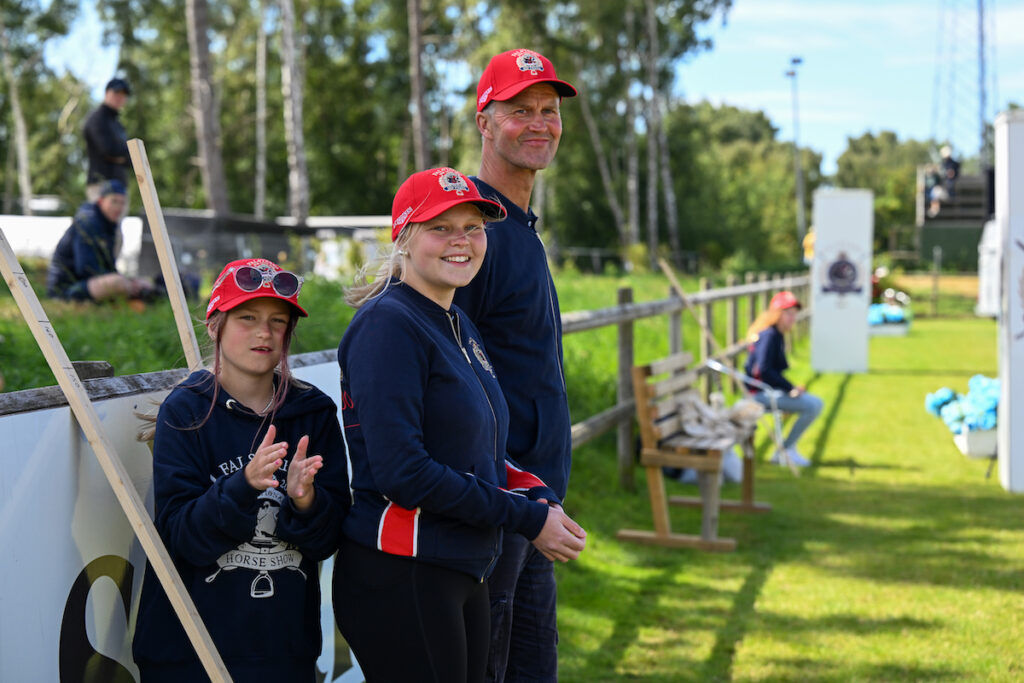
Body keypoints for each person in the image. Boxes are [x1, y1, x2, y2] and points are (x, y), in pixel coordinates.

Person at [333, 167, 586, 683]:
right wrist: (524, 517)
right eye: (440, 228)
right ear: (404, 238)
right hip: (404, 570)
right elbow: (404, 473)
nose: (461, 241)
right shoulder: (387, 325)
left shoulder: (457, 322)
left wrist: (535, 492)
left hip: (460, 566)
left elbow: (478, 448)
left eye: (473, 228)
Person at [132, 258, 349, 682]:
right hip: (188, 656)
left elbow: (329, 541)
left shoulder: (313, 412)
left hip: (284, 655)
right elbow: (183, 539)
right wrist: (244, 485)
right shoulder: (186, 411)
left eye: (277, 321)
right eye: (247, 317)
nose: (264, 332)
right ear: (215, 326)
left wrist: (306, 501)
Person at [452, 48, 579, 682]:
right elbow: (449, 381)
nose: (539, 123)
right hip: (498, 510)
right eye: (519, 110)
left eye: (548, 110)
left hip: (535, 507)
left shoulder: (516, 227)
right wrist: (510, 495)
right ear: (484, 121)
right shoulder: (468, 231)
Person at [744, 290, 823, 467]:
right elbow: (763, 370)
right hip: (758, 395)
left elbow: (769, 372)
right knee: (812, 405)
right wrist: (790, 389)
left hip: (767, 392)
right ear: (776, 314)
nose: (792, 318)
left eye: (794, 314)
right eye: (788, 313)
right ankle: (786, 451)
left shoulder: (776, 335)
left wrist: (790, 388)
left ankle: (787, 449)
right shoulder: (769, 336)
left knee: (815, 403)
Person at [45, 179, 154, 302]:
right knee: (118, 282)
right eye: (114, 201)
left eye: (122, 203)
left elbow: (108, 265)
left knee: (144, 282)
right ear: (101, 201)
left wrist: (129, 281)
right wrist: (123, 282)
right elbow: (86, 269)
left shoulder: (109, 224)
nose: (118, 207)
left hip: (88, 283)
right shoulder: (88, 222)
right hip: (67, 289)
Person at [84, 77, 131, 202]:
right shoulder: (97, 118)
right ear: (106, 93)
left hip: (120, 186)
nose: (120, 97)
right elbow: (107, 150)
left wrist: (124, 156)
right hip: (102, 186)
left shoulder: (117, 124)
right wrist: (124, 155)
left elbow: (131, 159)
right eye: (116, 92)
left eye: (123, 94)